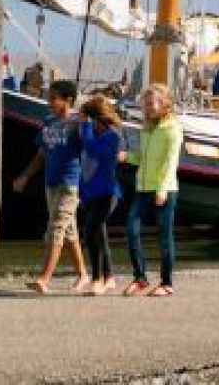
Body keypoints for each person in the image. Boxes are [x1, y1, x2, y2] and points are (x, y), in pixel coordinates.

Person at [12, 80, 89, 292]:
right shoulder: (48, 121)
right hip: (50, 184)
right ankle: (83, 275)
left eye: (54, 98)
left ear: (69, 100)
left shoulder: (78, 124)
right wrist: (24, 177)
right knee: (69, 231)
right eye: (49, 97)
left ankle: (44, 279)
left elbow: (91, 150)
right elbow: (41, 154)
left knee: (55, 229)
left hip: (69, 184)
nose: (49, 102)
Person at [123, 84, 181, 297]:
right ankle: (140, 277)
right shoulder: (146, 128)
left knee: (164, 237)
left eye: (150, 105)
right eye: (144, 105)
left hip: (164, 190)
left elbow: (171, 162)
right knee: (131, 230)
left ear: (164, 104)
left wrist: (163, 189)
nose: (146, 109)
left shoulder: (172, 129)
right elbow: (143, 158)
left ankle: (167, 283)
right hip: (143, 187)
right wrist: (127, 157)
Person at [75, 95, 126, 295]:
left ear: (96, 119)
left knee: (90, 231)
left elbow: (93, 151)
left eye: (88, 120)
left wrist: (86, 127)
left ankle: (96, 279)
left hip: (107, 193)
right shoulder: (91, 133)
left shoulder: (113, 135)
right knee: (100, 234)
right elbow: (85, 161)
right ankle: (110, 276)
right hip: (89, 192)